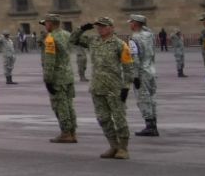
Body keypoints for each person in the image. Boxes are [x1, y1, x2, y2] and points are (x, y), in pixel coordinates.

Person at [81, 16, 131, 160]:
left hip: (114, 87)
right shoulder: (93, 42)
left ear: (111, 27)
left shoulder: (119, 44)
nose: (100, 29)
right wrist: (81, 30)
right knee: (103, 118)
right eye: (98, 26)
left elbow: (128, 67)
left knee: (119, 118)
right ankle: (113, 145)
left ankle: (123, 148)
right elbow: (73, 40)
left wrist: (126, 87)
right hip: (97, 87)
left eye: (103, 26)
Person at [39, 15, 77, 143]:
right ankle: (73, 131)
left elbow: (50, 60)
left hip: (57, 77)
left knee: (60, 106)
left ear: (50, 23)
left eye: (46, 23)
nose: (45, 26)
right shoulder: (67, 34)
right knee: (69, 105)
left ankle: (66, 133)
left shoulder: (51, 38)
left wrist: (47, 79)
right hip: (68, 75)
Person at [128, 14, 159, 138]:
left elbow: (134, 58)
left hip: (141, 71)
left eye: (131, 22)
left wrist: (135, 75)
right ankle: (154, 123)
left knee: (143, 98)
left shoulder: (134, 38)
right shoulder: (149, 35)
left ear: (135, 24)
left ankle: (150, 125)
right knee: (152, 98)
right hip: (151, 69)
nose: (130, 24)